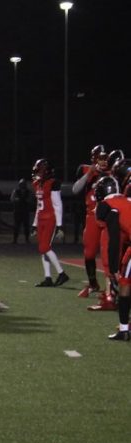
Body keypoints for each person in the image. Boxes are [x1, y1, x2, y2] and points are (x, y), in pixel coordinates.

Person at [92, 175, 130, 340]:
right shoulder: (124, 200)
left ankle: (124, 330)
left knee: (124, 284)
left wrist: (114, 269)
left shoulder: (109, 206)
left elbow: (114, 240)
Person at [72, 145, 110, 297]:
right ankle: (93, 283)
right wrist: (89, 175)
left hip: (108, 217)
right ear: (94, 159)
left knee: (110, 253)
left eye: (105, 158)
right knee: (89, 253)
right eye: (100, 158)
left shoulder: (112, 172)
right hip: (92, 217)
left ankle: (112, 288)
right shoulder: (86, 171)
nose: (103, 162)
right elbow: (75, 190)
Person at [31, 158, 68, 287]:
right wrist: (35, 224)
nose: (37, 173)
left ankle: (62, 273)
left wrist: (59, 225)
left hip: (50, 218)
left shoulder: (52, 183)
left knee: (44, 247)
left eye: (39, 170)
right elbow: (38, 205)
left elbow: (58, 205)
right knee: (42, 249)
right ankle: (48, 278)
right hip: (41, 218)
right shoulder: (37, 183)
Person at [11, 179, 34, 244]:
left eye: (23, 184)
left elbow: (31, 200)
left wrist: (25, 200)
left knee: (26, 226)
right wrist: (17, 200)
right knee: (16, 226)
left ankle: (27, 239)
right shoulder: (16, 191)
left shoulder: (29, 192)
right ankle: (15, 240)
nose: (22, 185)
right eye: (21, 184)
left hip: (25, 211)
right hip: (17, 211)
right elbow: (12, 199)